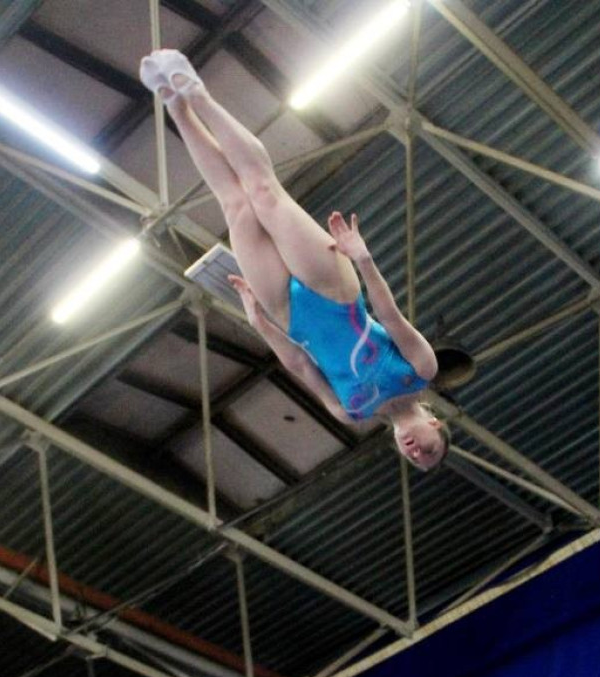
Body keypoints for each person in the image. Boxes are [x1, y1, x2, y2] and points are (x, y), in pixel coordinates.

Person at [140, 49, 448, 470]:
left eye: (413, 458)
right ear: (435, 423)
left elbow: (301, 365)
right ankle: (197, 94)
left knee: (236, 206)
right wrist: (363, 259)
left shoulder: (349, 412)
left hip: (289, 316)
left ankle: (175, 105)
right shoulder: (422, 369)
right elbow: (389, 315)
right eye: (429, 448)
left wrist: (260, 324)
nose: (416, 450)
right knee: (263, 192)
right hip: (336, 293)